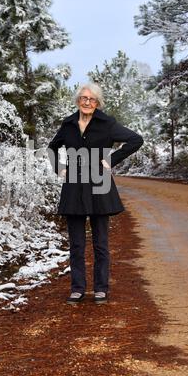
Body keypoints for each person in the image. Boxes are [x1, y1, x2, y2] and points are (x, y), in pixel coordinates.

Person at [47, 82, 144, 304]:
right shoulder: (69, 124)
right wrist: (59, 168)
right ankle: (77, 288)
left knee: (101, 243)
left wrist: (111, 160)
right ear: (77, 101)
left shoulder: (107, 124)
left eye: (91, 99)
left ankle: (101, 288)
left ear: (98, 103)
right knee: (77, 244)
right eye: (83, 98)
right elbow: (52, 148)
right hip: (73, 187)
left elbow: (136, 140)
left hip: (100, 184)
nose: (87, 102)